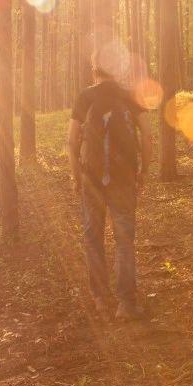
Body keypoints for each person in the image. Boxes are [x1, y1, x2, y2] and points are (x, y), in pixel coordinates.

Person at [68, 49, 153, 320]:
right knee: (124, 240)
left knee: (93, 239)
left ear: (94, 70)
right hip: (124, 178)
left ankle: (100, 300)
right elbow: (148, 135)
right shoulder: (131, 95)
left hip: (91, 178)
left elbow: (72, 142)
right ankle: (126, 304)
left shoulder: (84, 97)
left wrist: (75, 176)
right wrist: (143, 172)